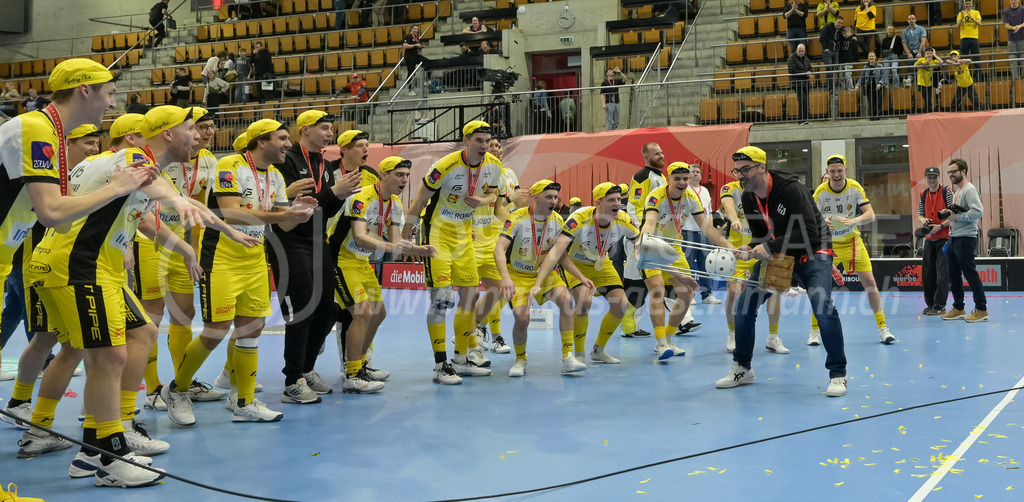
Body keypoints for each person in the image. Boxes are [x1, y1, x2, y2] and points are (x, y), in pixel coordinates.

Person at [23, 104, 218, 486]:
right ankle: (109, 456)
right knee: (107, 355)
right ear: (167, 134)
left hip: (98, 267)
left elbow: (145, 217)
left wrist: (187, 244)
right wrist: (174, 199)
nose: (198, 136)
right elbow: (151, 185)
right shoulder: (132, 158)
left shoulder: (124, 164)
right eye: (191, 128)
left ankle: (95, 447)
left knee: (142, 333)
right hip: (79, 267)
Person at [0, 58, 158, 458]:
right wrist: (117, 187)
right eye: (109, 94)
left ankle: (66, 433)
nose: (112, 103)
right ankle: (96, 447)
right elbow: (53, 211)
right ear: (85, 90)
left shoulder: (47, 132)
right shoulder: (37, 128)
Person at [161, 119, 317, 426]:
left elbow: (281, 223)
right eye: (282, 138)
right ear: (261, 141)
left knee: (252, 328)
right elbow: (231, 212)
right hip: (221, 256)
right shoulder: (229, 165)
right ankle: (176, 390)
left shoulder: (275, 176)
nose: (288, 144)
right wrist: (283, 214)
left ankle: (244, 402)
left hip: (254, 258)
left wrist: (297, 213)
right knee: (215, 331)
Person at [721, 146, 848, 397]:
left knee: (823, 309)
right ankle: (743, 367)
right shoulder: (747, 197)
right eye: (737, 170)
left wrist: (768, 246)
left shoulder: (790, 189)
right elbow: (761, 235)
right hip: (780, 254)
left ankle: (838, 374)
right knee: (745, 305)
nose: (740, 176)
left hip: (814, 251)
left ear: (762, 167)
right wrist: (751, 246)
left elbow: (809, 231)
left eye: (746, 169)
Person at [268, 110, 363, 403]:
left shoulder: (322, 163)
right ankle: (292, 380)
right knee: (302, 310)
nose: (330, 134)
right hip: (288, 242)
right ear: (305, 130)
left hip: (316, 241)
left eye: (331, 129)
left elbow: (319, 209)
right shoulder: (286, 159)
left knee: (327, 311)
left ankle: (306, 370)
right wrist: (333, 191)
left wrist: (339, 196)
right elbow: (285, 206)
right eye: (324, 128)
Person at [400, 120, 503, 385]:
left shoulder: (493, 165)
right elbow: (420, 200)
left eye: (487, 140)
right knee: (442, 300)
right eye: (478, 140)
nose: (484, 145)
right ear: (465, 140)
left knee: (470, 294)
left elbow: (493, 195)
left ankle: (461, 358)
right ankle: (439, 365)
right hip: (437, 234)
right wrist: (405, 239)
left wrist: (482, 200)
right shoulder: (444, 166)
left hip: (464, 236)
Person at [336, 157, 433, 391]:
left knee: (379, 314)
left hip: (361, 261)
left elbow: (396, 240)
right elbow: (359, 236)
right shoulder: (362, 197)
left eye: (407, 175)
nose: (404, 179)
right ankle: (351, 375)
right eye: (399, 174)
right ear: (383, 175)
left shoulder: (396, 204)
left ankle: (360, 365)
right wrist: (391, 248)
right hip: (340, 259)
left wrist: (419, 249)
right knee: (362, 314)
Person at [532, 183, 637, 366]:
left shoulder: (623, 219)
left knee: (621, 305)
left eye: (619, 200)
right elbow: (557, 251)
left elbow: (639, 241)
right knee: (584, 301)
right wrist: (539, 281)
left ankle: (598, 350)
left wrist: (639, 251)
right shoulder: (578, 219)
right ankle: (579, 353)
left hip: (601, 263)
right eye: (611, 200)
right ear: (599, 202)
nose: (617, 204)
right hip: (576, 264)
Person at [639, 162, 727, 359]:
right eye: (677, 179)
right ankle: (661, 342)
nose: (682, 182)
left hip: (674, 248)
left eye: (685, 179)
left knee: (686, 293)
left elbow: (706, 227)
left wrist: (729, 247)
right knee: (657, 290)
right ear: (668, 179)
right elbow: (650, 222)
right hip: (652, 246)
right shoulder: (656, 196)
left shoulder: (691, 196)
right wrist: (643, 242)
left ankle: (668, 339)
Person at [496, 180, 584, 376]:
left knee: (567, 301)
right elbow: (499, 249)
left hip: (546, 275)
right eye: (549, 197)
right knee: (522, 318)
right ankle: (520, 360)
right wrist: (505, 278)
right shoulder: (517, 218)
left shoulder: (558, 221)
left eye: (555, 197)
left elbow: (561, 256)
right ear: (535, 198)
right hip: (518, 276)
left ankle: (568, 356)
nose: (553, 201)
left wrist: (581, 276)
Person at [811, 154, 895, 345]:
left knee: (871, 283)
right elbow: (810, 218)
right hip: (829, 245)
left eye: (840, 170)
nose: (836, 174)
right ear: (827, 172)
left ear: (845, 170)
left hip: (852, 242)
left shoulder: (855, 187)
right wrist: (823, 222)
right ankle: (815, 331)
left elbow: (871, 215)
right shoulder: (821, 192)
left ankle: (883, 329)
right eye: (832, 171)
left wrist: (853, 221)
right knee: (820, 288)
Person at [719, 177, 787, 354]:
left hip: (762, 247)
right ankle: (732, 333)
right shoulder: (729, 188)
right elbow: (728, 207)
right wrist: (734, 220)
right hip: (736, 249)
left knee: (773, 292)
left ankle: (773, 337)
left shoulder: (765, 189)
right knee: (734, 292)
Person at [471, 138, 521, 354]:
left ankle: (481, 332)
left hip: (496, 238)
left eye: (499, 147)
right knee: (469, 295)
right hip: (470, 239)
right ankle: (475, 338)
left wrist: (517, 224)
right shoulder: (468, 171)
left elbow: (500, 207)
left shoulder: (505, 173)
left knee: (500, 289)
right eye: (492, 146)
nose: (496, 150)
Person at [940, 159, 987, 322]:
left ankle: (981, 309)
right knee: (954, 274)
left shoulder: (969, 189)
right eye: (949, 172)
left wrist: (957, 216)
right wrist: (944, 221)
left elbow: (978, 212)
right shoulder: (959, 190)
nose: (951, 175)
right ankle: (959, 308)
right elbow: (956, 216)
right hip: (955, 237)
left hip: (966, 237)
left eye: (954, 171)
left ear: (963, 171)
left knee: (970, 273)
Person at [681, 164, 721, 305]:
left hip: (704, 233)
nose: (695, 174)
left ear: (701, 175)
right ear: (688, 175)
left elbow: (709, 211)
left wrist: (709, 228)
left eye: (698, 172)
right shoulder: (684, 190)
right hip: (687, 231)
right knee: (688, 264)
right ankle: (689, 294)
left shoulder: (704, 191)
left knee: (706, 264)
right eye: (692, 172)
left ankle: (707, 294)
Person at [916, 166, 953, 316]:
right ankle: (930, 304)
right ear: (926, 178)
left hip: (944, 239)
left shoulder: (946, 192)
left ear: (938, 177)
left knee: (943, 275)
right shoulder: (923, 193)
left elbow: (953, 213)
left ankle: (939, 305)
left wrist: (940, 226)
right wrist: (924, 220)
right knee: (927, 274)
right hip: (930, 239)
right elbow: (919, 213)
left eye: (934, 177)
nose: (932, 179)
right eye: (929, 177)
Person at [854, 52, 885, 120]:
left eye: (872, 56)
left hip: (878, 86)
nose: (871, 57)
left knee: (878, 102)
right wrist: (858, 85)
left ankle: (877, 115)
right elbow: (862, 77)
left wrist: (880, 83)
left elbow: (883, 76)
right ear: (868, 58)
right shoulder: (865, 67)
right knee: (871, 102)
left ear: (875, 57)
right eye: (870, 56)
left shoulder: (880, 66)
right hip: (869, 86)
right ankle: (871, 115)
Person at [819, 16, 844, 93]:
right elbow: (822, 37)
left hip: (835, 51)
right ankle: (830, 89)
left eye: (841, 23)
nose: (840, 24)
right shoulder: (828, 27)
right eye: (838, 22)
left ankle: (832, 89)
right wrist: (825, 47)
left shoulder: (840, 32)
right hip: (828, 51)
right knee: (829, 70)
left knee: (834, 70)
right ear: (835, 21)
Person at [788, 43, 811, 123]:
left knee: (806, 101)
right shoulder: (791, 58)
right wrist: (805, 73)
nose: (801, 53)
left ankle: (804, 119)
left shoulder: (806, 58)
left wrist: (809, 72)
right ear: (796, 50)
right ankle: (801, 120)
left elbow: (810, 68)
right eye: (800, 51)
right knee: (802, 100)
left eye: (803, 51)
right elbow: (792, 71)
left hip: (806, 83)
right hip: (797, 83)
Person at [914, 47, 942, 113]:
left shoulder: (933, 61)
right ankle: (927, 112)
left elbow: (941, 62)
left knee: (929, 99)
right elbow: (915, 66)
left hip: (929, 83)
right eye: (927, 53)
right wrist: (927, 62)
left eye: (930, 53)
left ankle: (927, 112)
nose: (929, 55)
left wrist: (934, 55)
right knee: (927, 99)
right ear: (924, 54)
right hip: (921, 82)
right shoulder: (921, 60)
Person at [403, 25, 425, 95]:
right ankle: (410, 89)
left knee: (426, 62)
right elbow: (405, 46)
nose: (416, 31)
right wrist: (415, 46)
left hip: (416, 56)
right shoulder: (408, 36)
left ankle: (427, 80)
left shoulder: (417, 38)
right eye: (415, 29)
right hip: (409, 57)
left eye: (417, 29)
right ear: (411, 29)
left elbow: (418, 48)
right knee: (411, 72)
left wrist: (420, 47)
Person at [1005, 0, 1024, 81]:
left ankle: (1023, 79)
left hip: (1022, 38)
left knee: (1023, 59)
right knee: (1013, 61)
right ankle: (1016, 80)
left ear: (1018, 0)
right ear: (1010, 1)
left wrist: (1019, 26)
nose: (1014, 1)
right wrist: (1013, 28)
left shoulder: (1023, 9)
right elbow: (1006, 25)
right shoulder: (1006, 11)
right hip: (1011, 40)